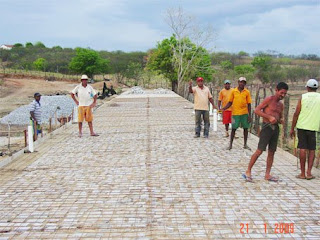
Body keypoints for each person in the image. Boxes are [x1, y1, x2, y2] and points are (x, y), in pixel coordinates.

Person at [243, 82, 289, 182]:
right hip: (266, 127)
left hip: (275, 129)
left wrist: (280, 120)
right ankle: (248, 171)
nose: (283, 95)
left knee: (272, 152)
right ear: (276, 90)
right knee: (259, 150)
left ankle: (267, 174)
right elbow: (257, 110)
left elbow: (280, 117)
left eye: (285, 94)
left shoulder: (281, 105)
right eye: (281, 93)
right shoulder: (269, 99)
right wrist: (269, 117)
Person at [290, 79, 320, 180]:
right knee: (312, 149)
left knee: (302, 148)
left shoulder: (303, 97)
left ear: (307, 87)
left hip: (302, 126)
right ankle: (309, 173)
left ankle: (302, 173)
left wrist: (292, 128)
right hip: (313, 127)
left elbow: (296, 114)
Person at [222, 77, 252, 150]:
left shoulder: (247, 92)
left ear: (245, 83)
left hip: (244, 113)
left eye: (243, 82)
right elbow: (230, 102)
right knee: (233, 129)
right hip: (235, 113)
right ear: (238, 82)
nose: (242, 84)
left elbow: (249, 104)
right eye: (241, 82)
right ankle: (230, 145)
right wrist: (223, 108)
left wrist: (249, 115)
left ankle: (245, 144)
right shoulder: (234, 91)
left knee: (245, 128)